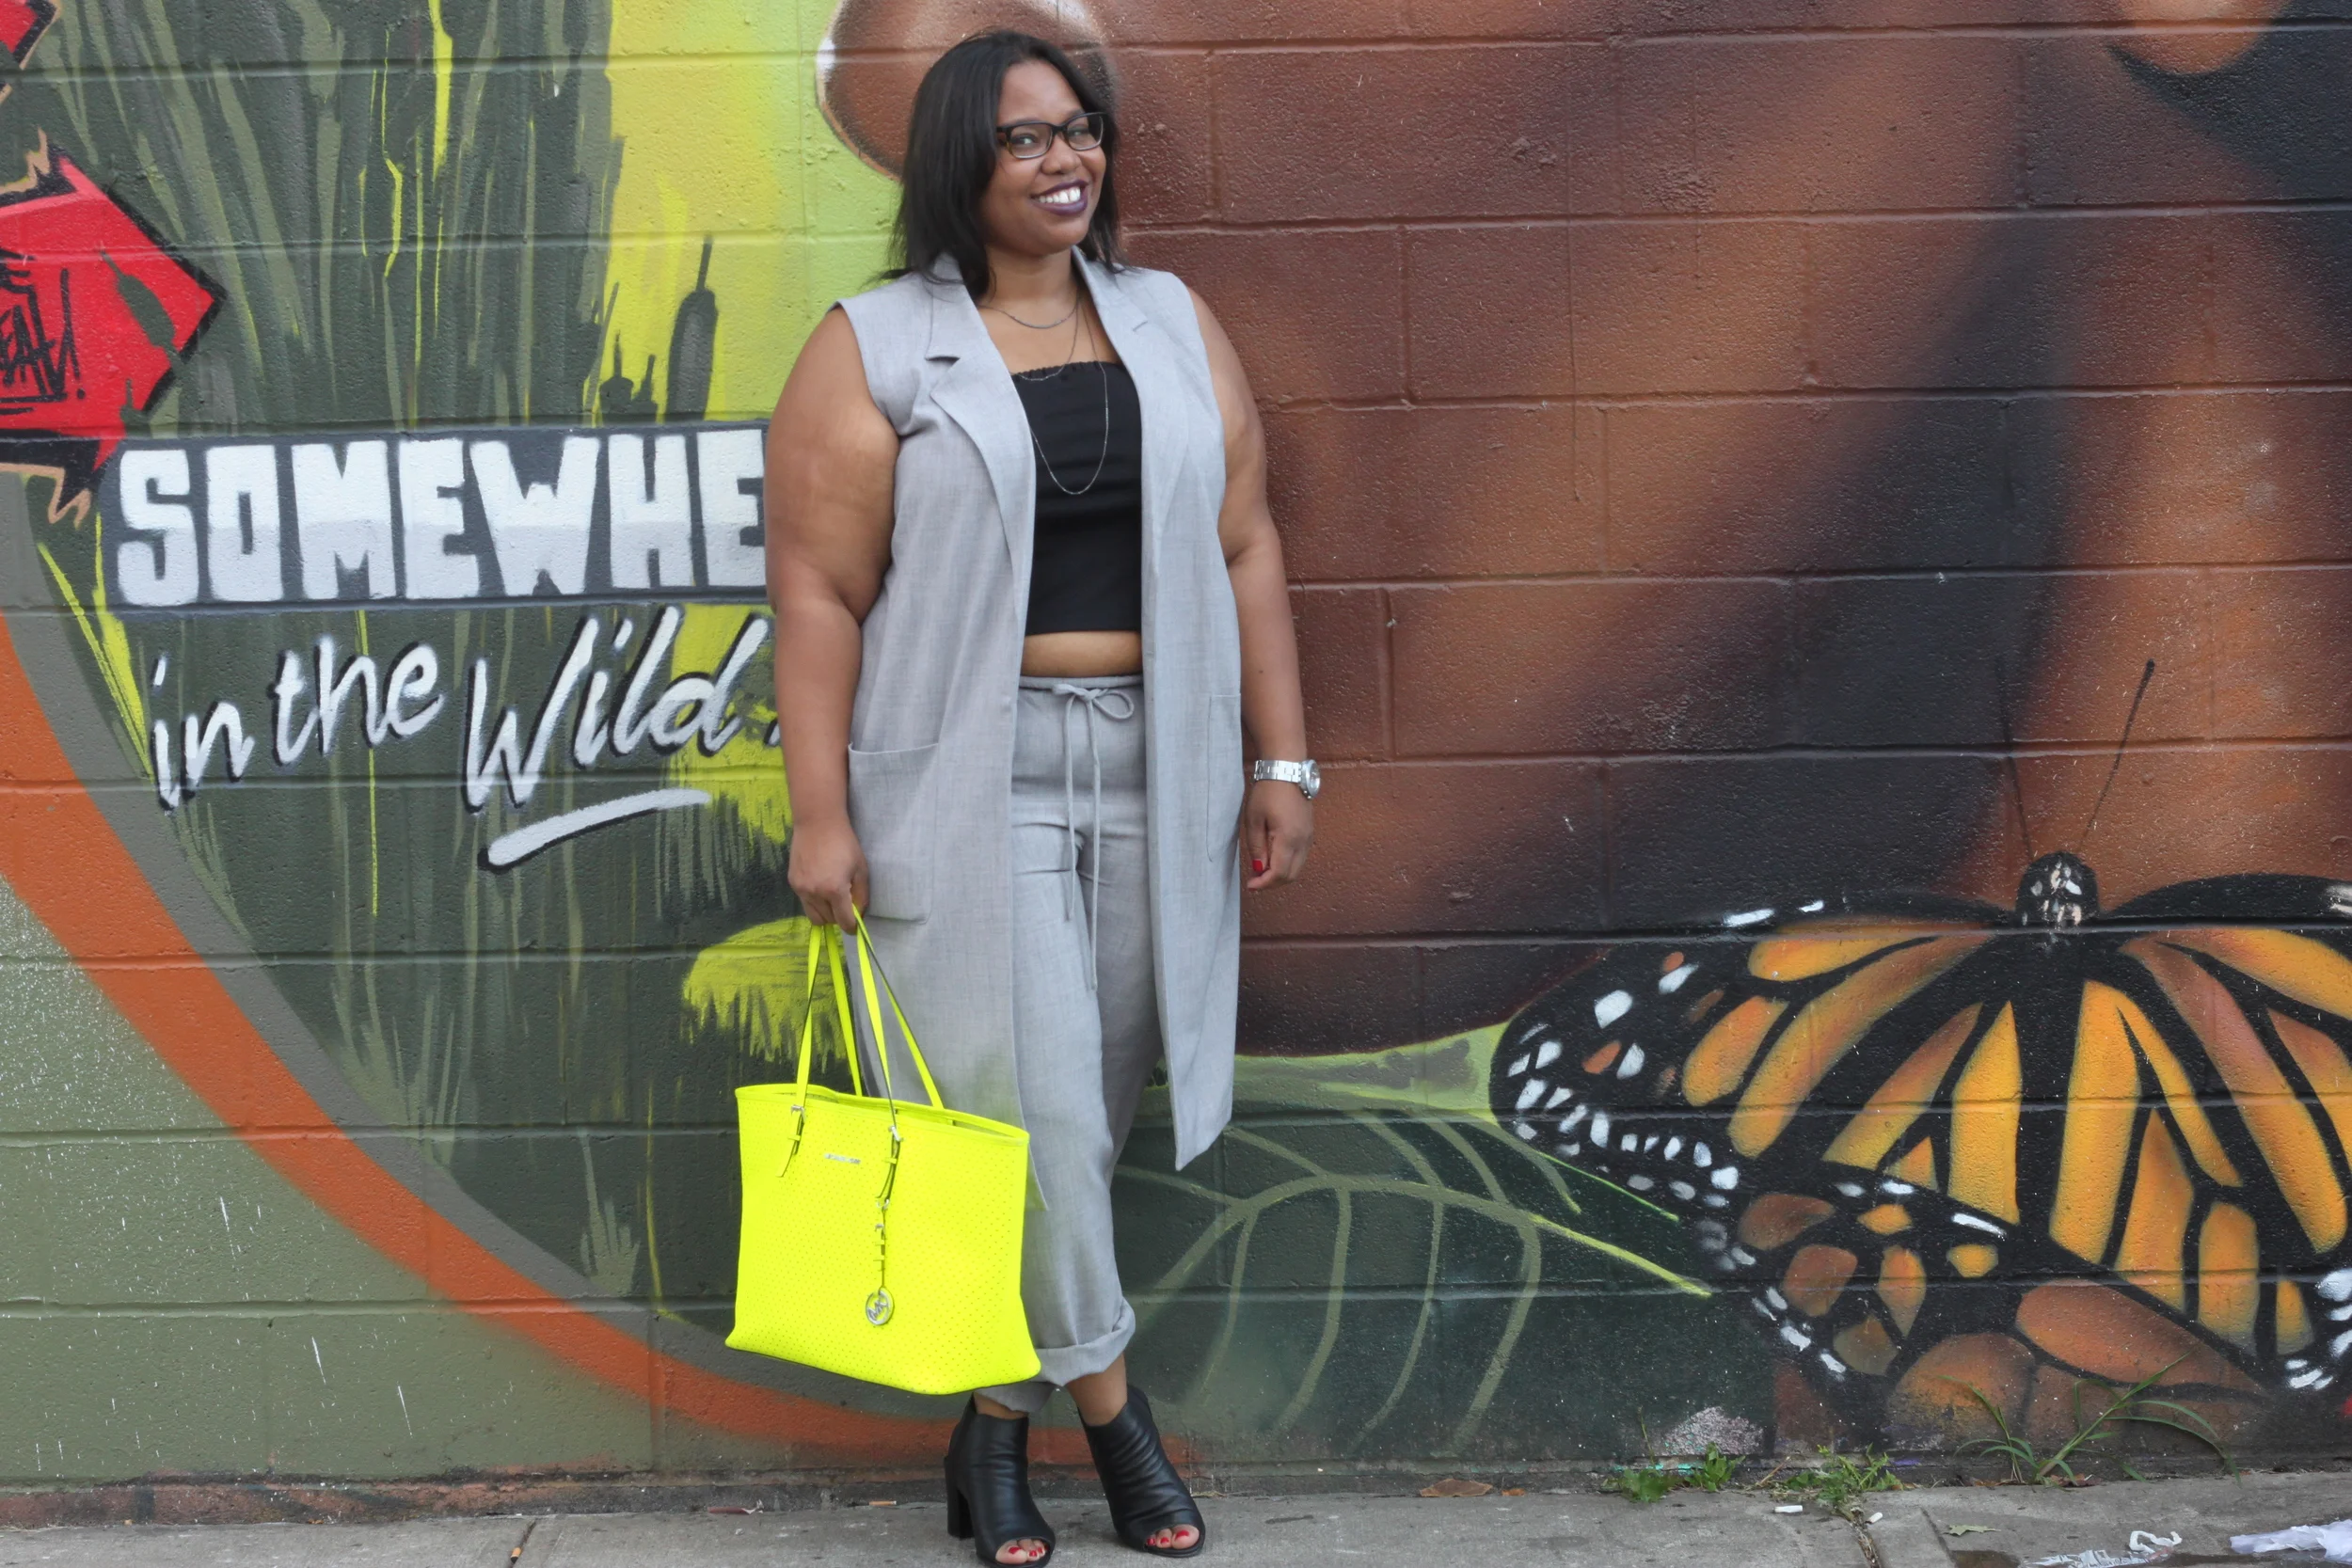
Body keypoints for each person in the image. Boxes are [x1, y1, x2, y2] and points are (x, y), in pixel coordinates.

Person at [764, 29, 1315, 1566]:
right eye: (1026, 139)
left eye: (1080, 130)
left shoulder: (1169, 320)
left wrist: (1281, 758)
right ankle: (1120, 1426)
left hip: (1159, 765)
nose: (1067, 159)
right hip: (970, 779)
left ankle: (992, 1427)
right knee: (1045, 1115)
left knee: (1079, 1123)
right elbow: (815, 592)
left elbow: (1246, 541)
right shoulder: (875, 347)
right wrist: (822, 814)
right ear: (962, 162)